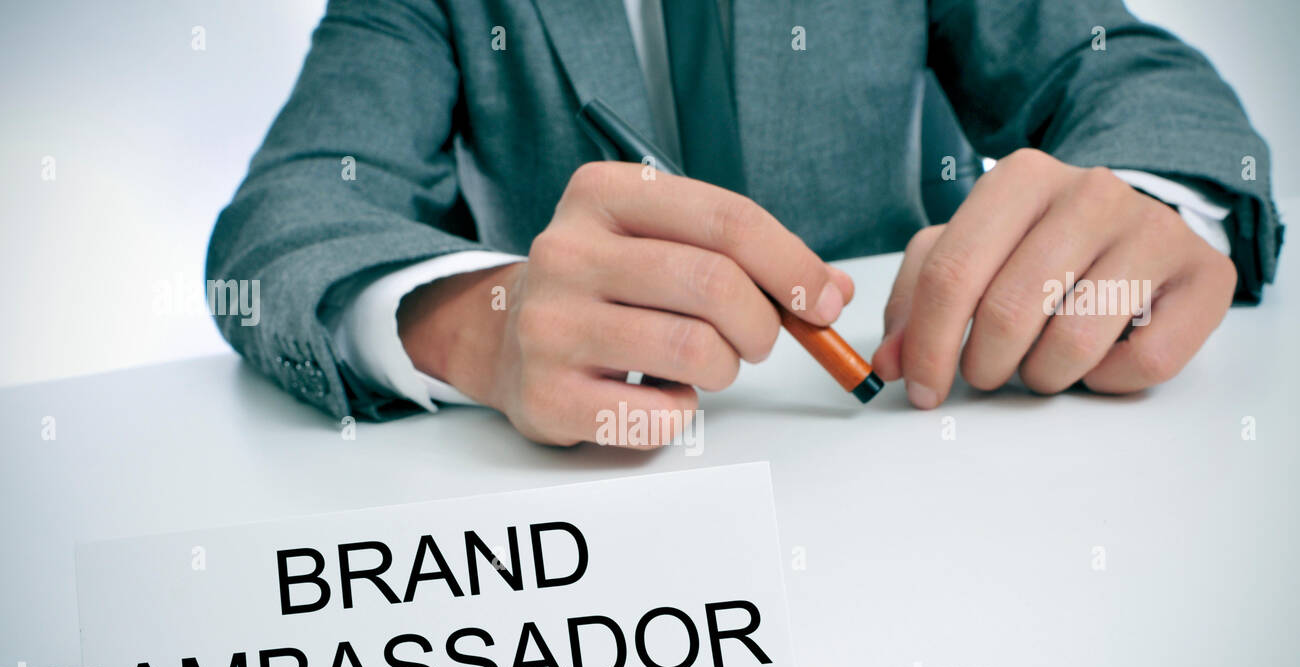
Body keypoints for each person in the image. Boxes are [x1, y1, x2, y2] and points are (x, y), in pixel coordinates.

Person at [207, 0, 1281, 447]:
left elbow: (1126, 68)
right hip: (606, 509)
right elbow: (284, 213)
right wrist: (478, 319)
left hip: (922, 442)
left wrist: (1143, 202)